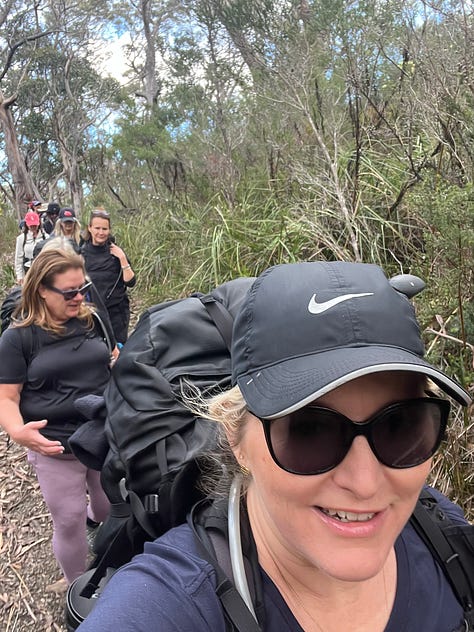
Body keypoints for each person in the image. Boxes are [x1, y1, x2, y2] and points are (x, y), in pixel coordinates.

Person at [77, 261, 472, 632]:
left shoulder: (446, 536)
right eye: (310, 432)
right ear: (236, 441)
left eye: (400, 426)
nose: (365, 483)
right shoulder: (169, 605)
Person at [0, 247, 113, 593]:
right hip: (56, 446)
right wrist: (19, 432)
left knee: (108, 501)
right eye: (69, 292)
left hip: (103, 433)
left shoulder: (91, 319)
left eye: (84, 288)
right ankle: (77, 584)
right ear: (41, 291)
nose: (79, 297)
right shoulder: (18, 338)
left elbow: (111, 357)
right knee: (68, 519)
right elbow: (7, 397)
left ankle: (109, 550)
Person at [81, 209, 135, 344]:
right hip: (92, 313)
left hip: (117, 312)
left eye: (104, 229)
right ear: (90, 228)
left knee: (119, 350)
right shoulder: (81, 254)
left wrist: (122, 258)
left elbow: (131, 282)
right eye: (97, 228)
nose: (101, 232)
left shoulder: (116, 252)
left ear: (109, 230)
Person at [14, 211, 45, 284]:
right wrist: (19, 275)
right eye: (31, 225)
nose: (33, 227)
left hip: (43, 269)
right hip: (28, 270)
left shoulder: (45, 237)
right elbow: (19, 258)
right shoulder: (21, 238)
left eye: (35, 225)